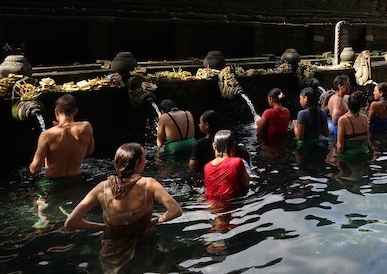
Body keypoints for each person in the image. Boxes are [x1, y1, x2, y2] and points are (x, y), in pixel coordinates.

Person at [64, 143, 182, 272]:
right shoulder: (149, 184)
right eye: (144, 158)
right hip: (143, 244)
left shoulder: (101, 188)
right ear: (137, 163)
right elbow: (175, 211)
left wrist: (103, 226)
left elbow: (71, 222)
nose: (146, 161)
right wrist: (153, 221)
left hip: (112, 249)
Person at [29, 94, 94, 178]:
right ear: (76, 111)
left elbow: (34, 169)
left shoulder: (47, 134)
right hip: (76, 180)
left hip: (52, 182)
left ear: (56, 112)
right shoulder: (86, 127)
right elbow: (90, 151)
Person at [204, 130, 251, 202]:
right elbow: (246, 184)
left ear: (214, 146)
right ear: (234, 145)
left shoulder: (207, 167)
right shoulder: (237, 162)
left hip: (211, 207)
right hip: (232, 205)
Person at [337, 91, 369, 161]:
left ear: (348, 104)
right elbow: (366, 141)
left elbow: (340, 147)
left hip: (350, 157)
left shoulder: (343, 120)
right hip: (364, 154)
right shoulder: (365, 118)